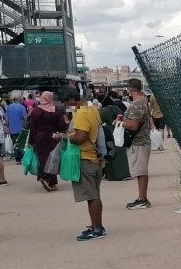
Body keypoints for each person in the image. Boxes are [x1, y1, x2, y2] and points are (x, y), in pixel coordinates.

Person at [66, 90, 106, 240]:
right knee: (94, 195)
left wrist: (66, 137)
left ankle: (97, 229)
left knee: (92, 196)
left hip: (85, 158)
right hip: (95, 157)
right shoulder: (93, 109)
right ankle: (97, 225)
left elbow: (80, 137)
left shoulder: (81, 113)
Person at [121, 78, 153, 209]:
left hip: (138, 142)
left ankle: (143, 199)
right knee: (141, 171)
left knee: (140, 171)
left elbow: (133, 126)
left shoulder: (136, 104)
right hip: (143, 140)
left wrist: (119, 123)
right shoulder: (144, 101)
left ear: (130, 89)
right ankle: (142, 198)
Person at [26, 90, 67, 192]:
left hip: (39, 137)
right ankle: (50, 181)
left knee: (42, 157)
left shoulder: (36, 110)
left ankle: (44, 176)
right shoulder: (56, 110)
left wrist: (31, 141)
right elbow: (62, 126)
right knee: (52, 158)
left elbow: (32, 127)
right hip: (52, 137)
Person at [99, 92, 130, 181]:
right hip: (119, 131)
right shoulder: (115, 107)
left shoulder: (102, 110)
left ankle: (112, 175)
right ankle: (124, 173)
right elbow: (122, 115)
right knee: (121, 154)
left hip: (108, 132)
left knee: (110, 153)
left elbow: (100, 121)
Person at [6, 93, 28, 162]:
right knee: (21, 144)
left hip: (12, 128)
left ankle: (17, 159)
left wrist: (7, 127)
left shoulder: (9, 107)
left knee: (14, 143)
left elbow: (7, 118)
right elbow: (25, 118)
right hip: (21, 128)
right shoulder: (22, 107)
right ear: (19, 99)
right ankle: (21, 158)